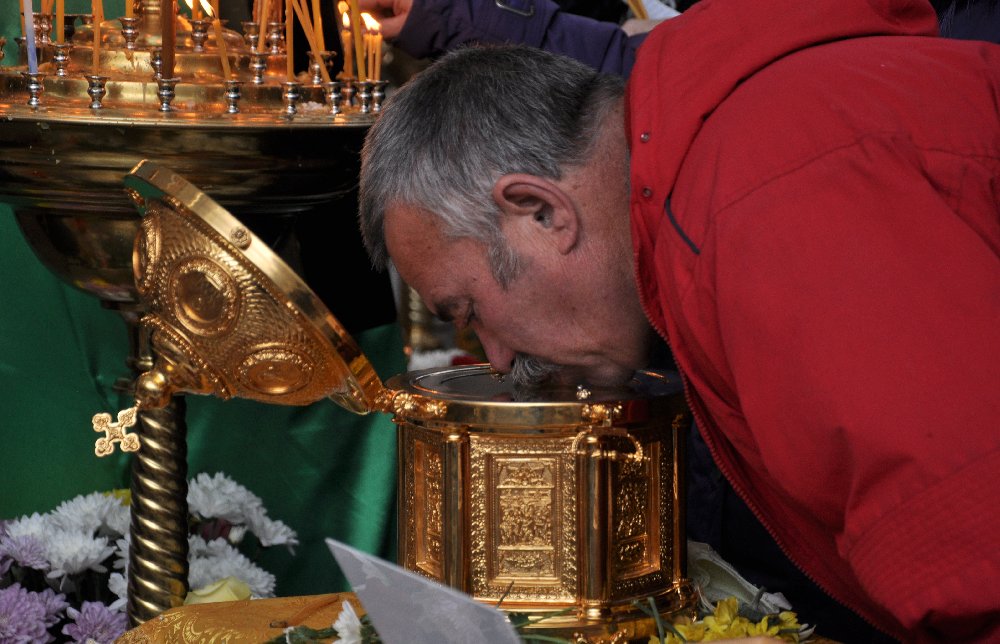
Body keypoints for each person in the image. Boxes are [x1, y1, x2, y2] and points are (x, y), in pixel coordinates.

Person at [357, 0, 1000, 640]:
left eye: (469, 312)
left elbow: (972, 566)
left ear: (540, 211)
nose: (496, 359)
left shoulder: (769, 191)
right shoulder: (711, 181)